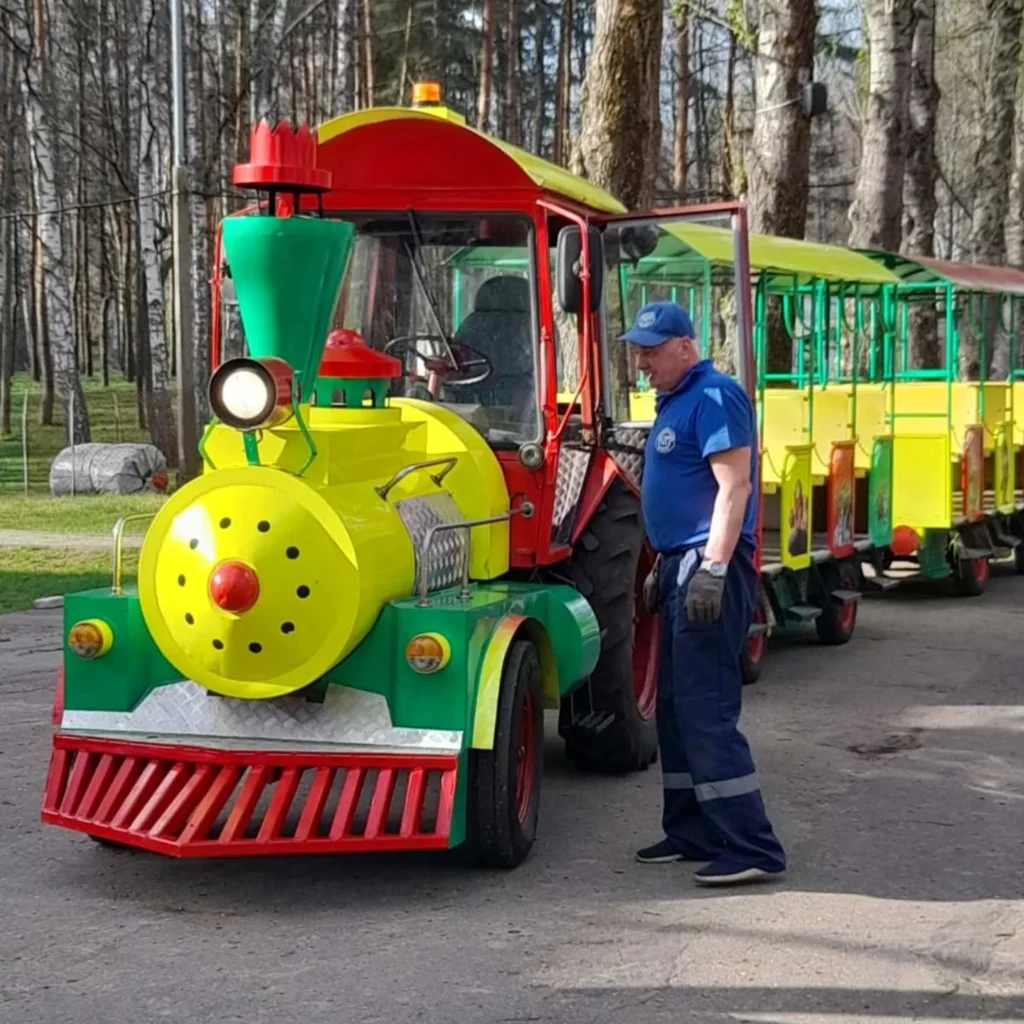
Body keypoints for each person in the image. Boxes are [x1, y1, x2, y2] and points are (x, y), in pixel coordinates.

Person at [622, 300, 786, 887]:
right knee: (673, 709)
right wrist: (662, 565)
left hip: (707, 567)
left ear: (685, 347)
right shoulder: (677, 400)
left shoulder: (713, 396)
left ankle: (751, 846)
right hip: (679, 564)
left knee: (705, 709)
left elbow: (734, 486)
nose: (642, 362)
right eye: (637, 351)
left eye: (651, 351)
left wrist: (712, 566)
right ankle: (691, 829)